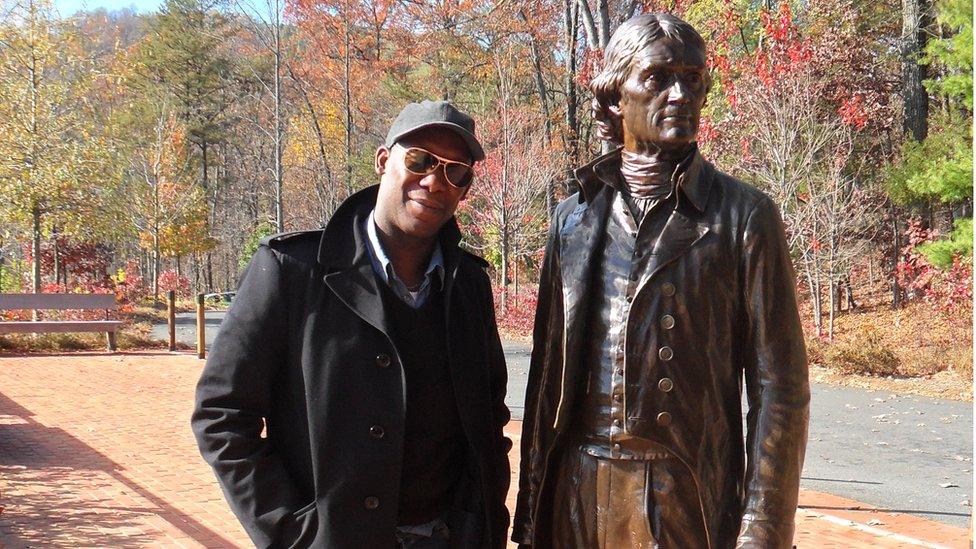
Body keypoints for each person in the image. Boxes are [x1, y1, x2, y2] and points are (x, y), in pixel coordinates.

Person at [512, 13, 809, 549]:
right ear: (614, 95)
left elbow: (780, 389)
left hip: (682, 495)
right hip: (574, 489)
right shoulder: (573, 219)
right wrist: (532, 513)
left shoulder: (743, 217)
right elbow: (545, 380)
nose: (681, 94)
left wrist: (764, 529)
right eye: (658, 78)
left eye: (693, 79)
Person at [192, 100, 512, 549]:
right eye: (420, 160)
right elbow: (222, 414)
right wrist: (293, 533)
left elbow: (488, 419)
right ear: (384, 161)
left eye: (455, 171)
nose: (435, 181)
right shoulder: (293, 270)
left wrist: (485, 526)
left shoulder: (469, 286)